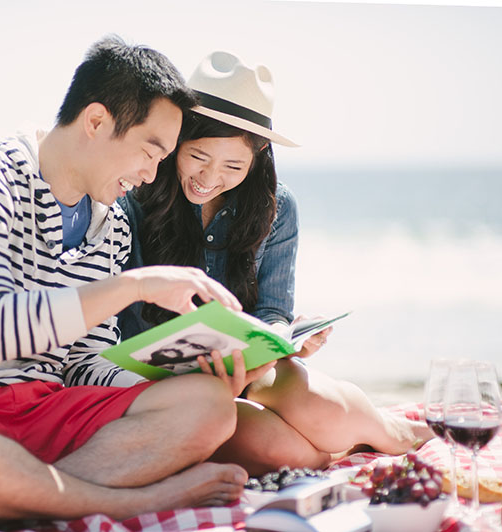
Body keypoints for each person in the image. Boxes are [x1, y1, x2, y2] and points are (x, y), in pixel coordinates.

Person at [0, 36, 276, 530]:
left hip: (44, 415)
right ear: (97, 121)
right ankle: (126, 502)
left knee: (208, 406)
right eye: (150, 151)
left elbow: (83, 363)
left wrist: (172, 378)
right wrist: (135, 287)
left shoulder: (111, 226)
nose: (151, 175)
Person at [117, 51, 433, 475]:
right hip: (167, 389)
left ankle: (393, 431)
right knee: (292, 454)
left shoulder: (276, 207)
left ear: (259, 152)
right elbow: (123, 322)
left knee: (322, 412)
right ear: (178, 139)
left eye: (233, 165)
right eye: (198, 157)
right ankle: (357, 440)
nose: (210, 178)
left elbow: (272, 310)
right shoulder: (136, 201)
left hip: (251, 371)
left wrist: (284, 339)